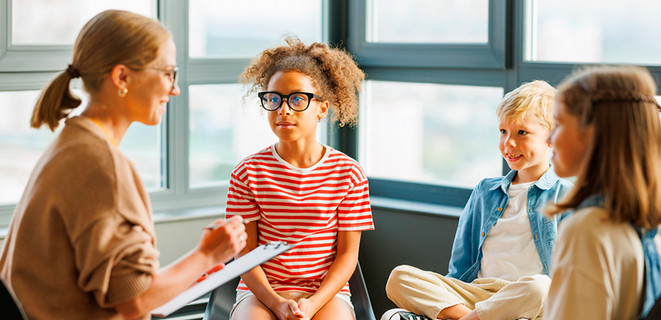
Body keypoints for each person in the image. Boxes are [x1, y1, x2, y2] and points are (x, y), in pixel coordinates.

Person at [0, 10, 247, 320]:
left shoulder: (73, 141)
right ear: (122, 77)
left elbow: (118, 284)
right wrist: (208, 255)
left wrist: (186, 273)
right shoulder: (103, 166)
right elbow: (134, 301)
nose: (175, 88)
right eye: (168, 72)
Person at [383, 81, 573, 320]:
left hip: (526, 301)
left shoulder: (567, 196)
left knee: (543, 286)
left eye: (521, 132)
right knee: (399, 277)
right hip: (476, 294)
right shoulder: (485, 191)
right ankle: (468, 317)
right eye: (503, 131)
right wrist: (449, 296)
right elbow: (460, 265)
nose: (509, 143)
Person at [225, 36, 374, 320]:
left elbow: (347, 256)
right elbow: (245, 256)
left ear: (322, 107)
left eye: (296, 99)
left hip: (326, 295)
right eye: (273, 99)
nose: (283, 110)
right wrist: (277, 303)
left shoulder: (349, 173)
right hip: (261, 293)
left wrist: (313, 304)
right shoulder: (246, 173)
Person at [545, 66, 661, 319]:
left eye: (559, 123)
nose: (549, 138)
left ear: (593, 133)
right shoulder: (647, 225)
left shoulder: (587, 230)